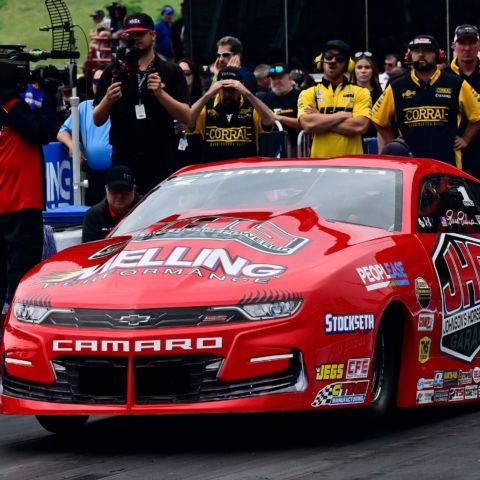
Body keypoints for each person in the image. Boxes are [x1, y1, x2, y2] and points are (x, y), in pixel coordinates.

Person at [93, 12, 190, 194]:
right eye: (131, 34)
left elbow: (187, 116)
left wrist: (161, 94)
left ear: (153, 35)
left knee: (160, 211)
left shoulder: (170, 71)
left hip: (159, 156)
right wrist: (107, 100)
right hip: (124, 157)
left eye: (140, 34)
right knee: (124, 211)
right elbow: (97, 120)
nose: (135, 39)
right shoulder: (114, 71)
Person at [0, 61, 57, 315]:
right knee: (22, 271)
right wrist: (50, 93)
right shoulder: (12, 108)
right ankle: (18, 322)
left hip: (7, 200)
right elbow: (42, 131)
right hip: (20, 200)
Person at [371, 34, 480, 167]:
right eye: (416, 51)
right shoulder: (396, 87)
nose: (421, 55)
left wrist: (466, 139)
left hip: (448, 165)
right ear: (409, 56)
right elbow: (377, 119)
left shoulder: (456, 83)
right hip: (409, 165)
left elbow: (477, 114)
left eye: (427, 51)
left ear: (439, 55)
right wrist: (393, 143)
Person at [297, 39, 371, 158]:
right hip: (319, 165)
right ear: (322, 60)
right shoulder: (308, 93)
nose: (332, 61)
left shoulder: (361, 92)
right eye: (329, 56)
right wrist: (342, 115)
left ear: (347, 64)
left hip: (353, 165)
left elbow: (360, 126)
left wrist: (320, 118)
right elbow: (308, 124)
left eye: (339, 58)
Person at [188, 66, 275, 162]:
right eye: (224, 89)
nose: (228, 93)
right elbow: (187, 120)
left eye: (233, 89)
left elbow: (270, 120)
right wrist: (209, 94)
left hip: (245, 169)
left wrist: (248, 93)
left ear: (241, 87)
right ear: (217, 88)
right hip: (213, 171)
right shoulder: (206, 107)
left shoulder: (252, 107)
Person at [57, 67, 112, 206]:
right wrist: (73, 146)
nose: (98, 84)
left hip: (114, 171)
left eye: (102, 81)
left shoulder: (117, 104)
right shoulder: (84, 107)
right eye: (95, 81)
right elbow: (62, 132)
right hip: (93, 173)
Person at [444, 24, 480, 178]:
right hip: (454, 149)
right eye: (462, 43)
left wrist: (467, 137)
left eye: (472, 43)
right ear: (454, 46)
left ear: (479, 45)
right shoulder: (443, 76)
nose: (467, 48)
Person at [82, 165, 141, 242]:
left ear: (134, 190)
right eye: (114, 190)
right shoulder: (94, 216)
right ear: (106, 189)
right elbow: (89, 249)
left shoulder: (146, 209)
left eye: (125, 190)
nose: (119, 196)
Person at [263, 63, 301, 154]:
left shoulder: (301, 96)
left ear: (290, 78)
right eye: (273, 79)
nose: (276, 81)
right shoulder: (265, 99)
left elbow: (305, 123)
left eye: (280, 78)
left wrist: (279, 118)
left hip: (298, 151)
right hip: (273, 152)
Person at [351, 51, 383, 141]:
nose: (363, 71)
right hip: (353, 140)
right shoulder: (346, 94)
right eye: (359, 67)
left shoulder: (381, 95)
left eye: (367, 67)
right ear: (354, 70)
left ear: (373, 71)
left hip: (376, 142)